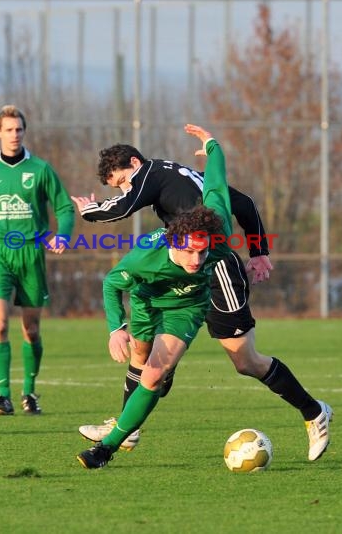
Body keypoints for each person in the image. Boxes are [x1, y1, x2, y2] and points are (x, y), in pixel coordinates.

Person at [73, 125, 332, 463]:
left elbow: (123, 207)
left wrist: (89, 211)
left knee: (245, 361)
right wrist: (211, 146)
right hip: (179, 269)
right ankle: (126, 427)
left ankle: (314, 411)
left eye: (121, 180)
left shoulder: (150, 175)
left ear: (134, 163)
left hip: (217, 272)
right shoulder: (180, 181)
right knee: (145, 353)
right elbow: (231, 189)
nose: (125, 187)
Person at [77, 124, 234, 469]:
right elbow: (111, 284)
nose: (197, 260)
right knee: (140, 357)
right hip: (147, 299)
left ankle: (106, 448)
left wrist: (211, 144)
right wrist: (116, 328)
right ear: (174, 243)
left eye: (203, 253)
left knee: (153, 375)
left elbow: (217, 179)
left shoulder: (217, 230)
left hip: (186, 305)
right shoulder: (147, 256)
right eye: (189, 253)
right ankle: (134, 409)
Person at [0, 105, 75, 416]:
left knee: (31, 329)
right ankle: (2, 396)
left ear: (24, 132)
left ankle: (29, 393)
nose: (14, 135)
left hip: (31, 253)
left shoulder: (40, 170)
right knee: (0, 322)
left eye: (18, 129)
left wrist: (63, 235)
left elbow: (64, 207)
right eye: (8, 129)